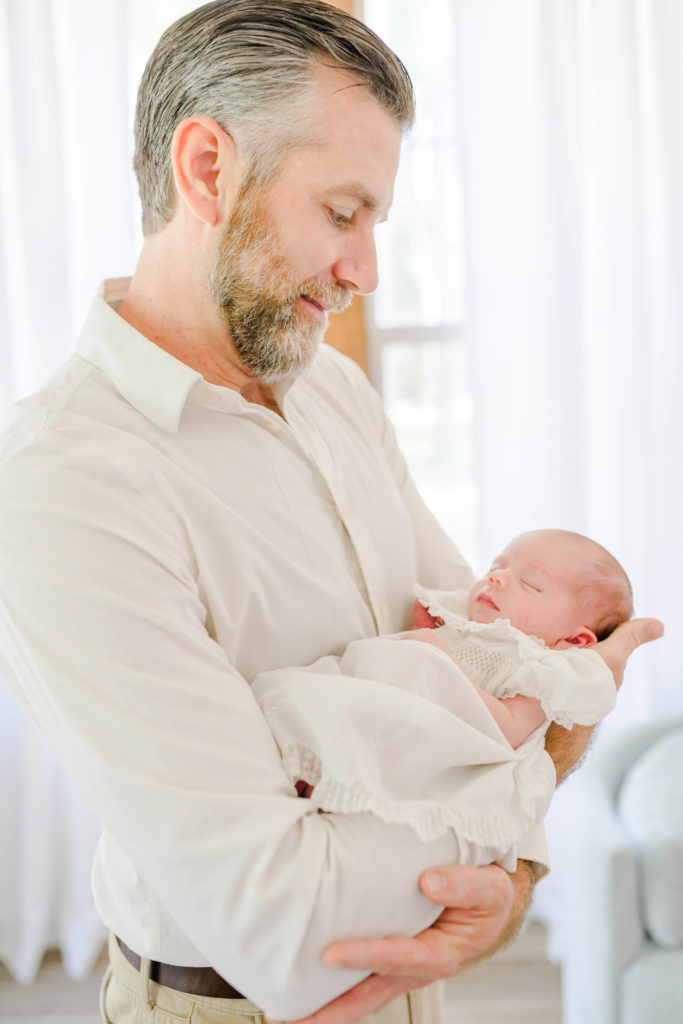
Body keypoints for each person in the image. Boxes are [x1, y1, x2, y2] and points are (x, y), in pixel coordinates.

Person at [0, 3, 662, 1024]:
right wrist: (517, 784)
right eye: (342, 212)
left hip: (412, 997)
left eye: (375, 224)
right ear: (207, 169)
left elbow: (496, 654)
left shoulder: (332, 393)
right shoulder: (63, 484)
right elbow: (296, 931)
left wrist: (513, 880)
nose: (365, 272)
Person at [255, 529, 632, 872]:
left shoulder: (542, 672)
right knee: (340, 705)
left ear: (576, 641)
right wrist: (429, 636)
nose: (497, 578)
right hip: (392, 709)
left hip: (444, 745)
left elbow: (510, 729)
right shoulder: (465, 624)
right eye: (497, 567)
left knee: (394, 759)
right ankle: (320, 765)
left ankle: (338, 790)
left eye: (530, 584)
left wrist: (440, 661)